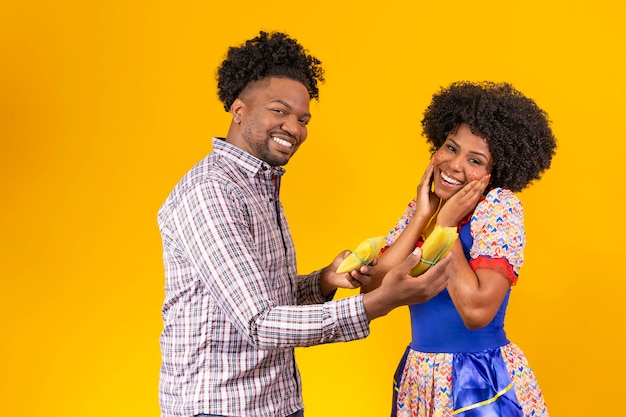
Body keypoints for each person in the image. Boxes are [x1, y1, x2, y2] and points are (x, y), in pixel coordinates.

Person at [157, 31, 451, 417]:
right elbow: (259, 322)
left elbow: (260, 296)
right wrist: (379, 303)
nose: (294, 128)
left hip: (274, 404)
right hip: (221, 408)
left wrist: (324, 281)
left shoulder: (258, 185)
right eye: (279, 111)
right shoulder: (211, 192)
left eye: (302, 119)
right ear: (239, 109)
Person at [362, 81, 557, 416]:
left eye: (475, 160)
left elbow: (476, 312)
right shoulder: (426, 207)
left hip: (478, 380)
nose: (454, 165)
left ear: (494, 173)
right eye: (451, 148)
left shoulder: (497, 207)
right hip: (419, 378)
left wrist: (445, 229)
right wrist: (424, 215)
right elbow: (375, 285)